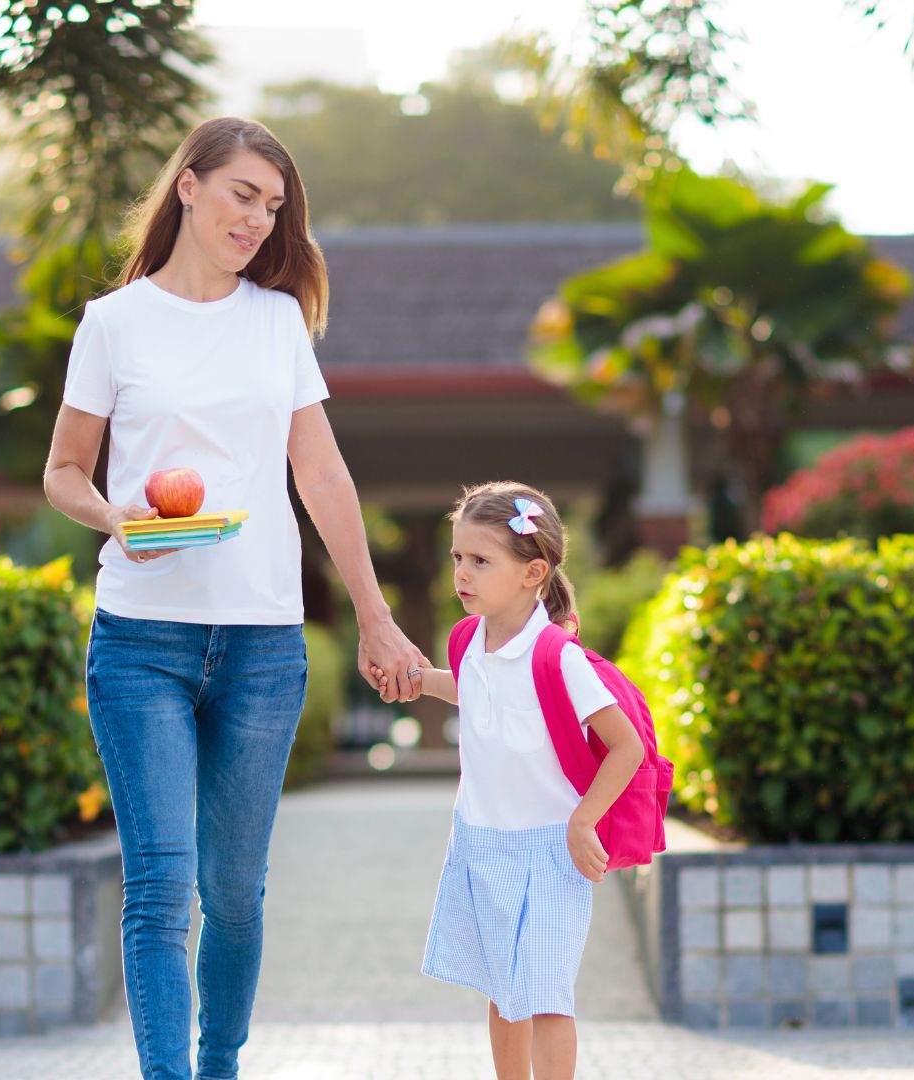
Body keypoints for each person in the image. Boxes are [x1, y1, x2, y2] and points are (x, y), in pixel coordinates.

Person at [43, 116, 426, 1080]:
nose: (259, 219)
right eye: (243, 194)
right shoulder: (115, 323)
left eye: (274, 205)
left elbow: (324, 478)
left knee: (237, 893)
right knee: (161, 889)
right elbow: (62, 471)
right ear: (188, 185)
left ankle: (221, 1065)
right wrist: (114, 517)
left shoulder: (276, 321)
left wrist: (376, 616)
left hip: (261, 643)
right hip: (141, 640)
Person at [380, 481, 643, 1080]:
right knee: (505, 991)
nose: (462, 574)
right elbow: (474, 691)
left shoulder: (559, 656)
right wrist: (422, 680)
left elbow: (624, 745)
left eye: (480, 560)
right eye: (457, 559)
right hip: (483, 842)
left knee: (547, 997)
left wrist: (583, 821)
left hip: (551, 850)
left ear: (533, 572)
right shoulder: (470, 641)